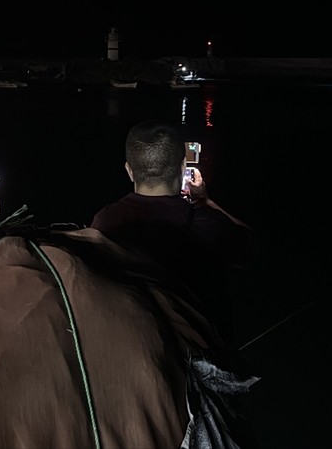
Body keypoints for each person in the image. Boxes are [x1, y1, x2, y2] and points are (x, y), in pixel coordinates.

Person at [90, 120, 256, 345]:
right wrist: (206, 202)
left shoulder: (104, 219)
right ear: (182, 167)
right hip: (195, 345)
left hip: (132, 339)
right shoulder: (203, 221)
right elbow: (248, 248)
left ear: (129, 170)